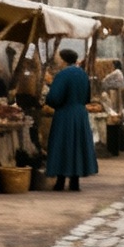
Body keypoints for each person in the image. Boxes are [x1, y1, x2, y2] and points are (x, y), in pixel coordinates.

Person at [44, 48, 97, 191]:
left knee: (63, 145)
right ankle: (75, 182)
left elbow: (55, 97)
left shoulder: (63, 75)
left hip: (65, 114)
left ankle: (60, 181)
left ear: (63, 60)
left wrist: (48, 100)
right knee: (77, 147)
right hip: (80, 114)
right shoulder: (83, 74)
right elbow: (87, 97)